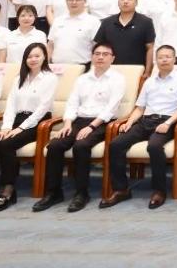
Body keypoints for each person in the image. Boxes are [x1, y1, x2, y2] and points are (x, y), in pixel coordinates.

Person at [32, 42, 126, 213]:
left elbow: (111, 108)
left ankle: (81, 193)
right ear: (92, 57)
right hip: (78, 121)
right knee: (55, 145)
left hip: (102, 123)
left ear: (112, 58)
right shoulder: (82, 79)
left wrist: (91, 127)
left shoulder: (117, 79)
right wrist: (67, 124)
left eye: (105, 54)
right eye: (97, 54)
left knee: (81, 146)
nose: (100, 57)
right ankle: (54, 192)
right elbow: (72, 103)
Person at [0, 42, 58, 214]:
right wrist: (6, 127)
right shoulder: (19, 78)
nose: (33, 59)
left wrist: (21, 128)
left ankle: (8, 191)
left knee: (6, 145)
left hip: (38, 122)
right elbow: (11, 105)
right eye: (29, 56)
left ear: (44, 57)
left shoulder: (50, 78)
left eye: (37, 56)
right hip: (17, 119)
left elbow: (42, 109)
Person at [101, 45, 177, 209]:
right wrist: (129, 122)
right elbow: (140, 108)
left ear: (174, 59)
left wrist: (168, 123)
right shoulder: (149, 81)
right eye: (160, 57)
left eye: (168, 57)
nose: (164, 60)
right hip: (145, 121)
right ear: (156, 60)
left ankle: (159, 191)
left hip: (168, 121)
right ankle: (121, 189)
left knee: (154, 146)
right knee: (116, 144)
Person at [93, 0, 156, 66]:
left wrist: (147, 71)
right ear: (118, 2)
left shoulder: (146, 22)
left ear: (136, 3)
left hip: (137, 69)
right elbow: (98, 47)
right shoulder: (107, 22)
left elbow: (150, 48)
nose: (125, 1)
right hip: (111, 69)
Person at [49, 0, 100, 65]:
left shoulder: (93, 21)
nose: (74, 2)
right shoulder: (58, 20)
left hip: (83, 66)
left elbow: (97, 47)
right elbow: (50, 45)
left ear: (85, 1)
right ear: (66, 1)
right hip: (57, 66)